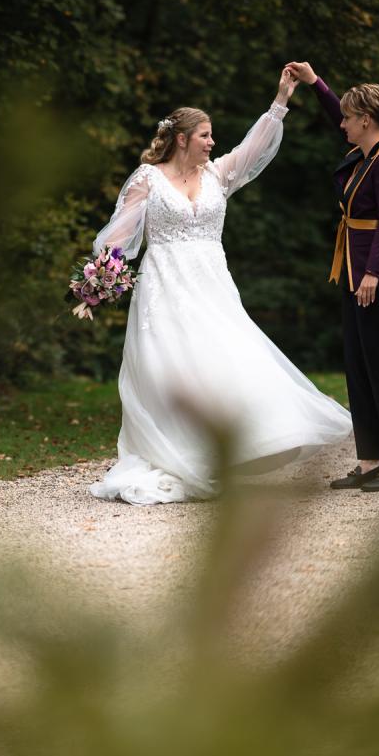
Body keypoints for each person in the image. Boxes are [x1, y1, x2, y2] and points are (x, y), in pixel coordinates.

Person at [86, 68, 352, 505]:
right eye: (206, 135)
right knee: (170, 368)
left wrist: (281, 99)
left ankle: (225, 450)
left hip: (211, 285)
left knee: (226, 361)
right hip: (163, 286)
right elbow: (118, 236)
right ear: (182, 138)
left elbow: (253, 149)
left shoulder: (217, 175)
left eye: (213, 136)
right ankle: (175, 453)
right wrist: (98, 277)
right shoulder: (146, 180)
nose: (213, 142)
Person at [286, 62, 379, 493]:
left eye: (347, 117)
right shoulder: (363, 154)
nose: (340, 123)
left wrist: (373, 274)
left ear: (365, 120)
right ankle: (370, 463)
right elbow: (336, 116)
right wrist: (315, 84)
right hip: (352, 274)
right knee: (358, 369)